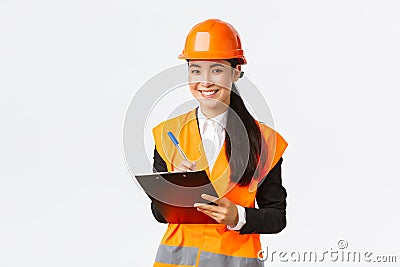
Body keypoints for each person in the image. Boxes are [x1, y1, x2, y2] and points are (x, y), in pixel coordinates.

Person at [150, 19, 288, 267]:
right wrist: (174, 190)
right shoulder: (167, 134)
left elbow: (277, 217)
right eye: (195, 70)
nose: (205, 81)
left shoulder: (265, 142)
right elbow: (159, 214)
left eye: (216, 70)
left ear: (236, 72)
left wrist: (239, 216)